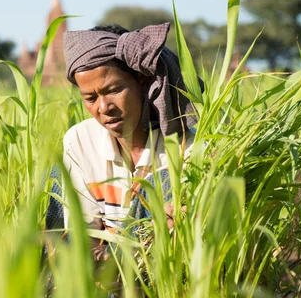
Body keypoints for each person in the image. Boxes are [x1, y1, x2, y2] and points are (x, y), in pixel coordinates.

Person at [55, 22, 200, 243]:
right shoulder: (80, 141)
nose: (103, 108)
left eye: (113, 90)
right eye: (90, 98)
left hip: (162, 259)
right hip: (106, 265)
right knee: (56, 179)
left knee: (163, 182)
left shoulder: (188, 146)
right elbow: (83, 233)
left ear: (141, 81)